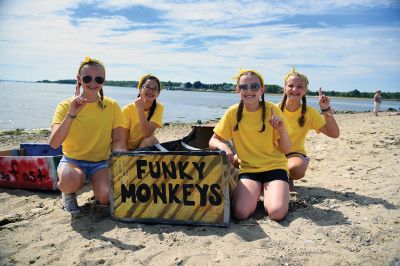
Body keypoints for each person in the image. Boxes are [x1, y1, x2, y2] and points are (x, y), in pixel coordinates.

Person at [209, 69, 291, 221]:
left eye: (254, 87)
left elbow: (286, 150)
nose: (249, 91)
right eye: (244, 87)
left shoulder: (273, 110)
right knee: (240, 213)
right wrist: (224, 147)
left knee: (276, 213)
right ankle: (259, 191)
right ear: (238, 90)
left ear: (262, 89)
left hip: (275, 167)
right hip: (249, 169)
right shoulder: (233, 112)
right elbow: (213, 140)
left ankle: (275, 192)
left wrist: (281, 129)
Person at [50, 57, 127, 215]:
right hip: (72, 162)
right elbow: (54, 143)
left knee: (105, 197)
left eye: (98, 79)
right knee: (69, 180)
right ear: (78, 79)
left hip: (100, 164)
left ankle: (94, 184)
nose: (93, 83)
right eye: (87, 78)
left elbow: (118, 140)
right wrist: (72, 113)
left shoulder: (111, 106)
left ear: (104, 81)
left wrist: (121, 163)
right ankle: (69, 193)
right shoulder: (65, 106)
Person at [279, 67, 340, 192]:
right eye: (291, 85)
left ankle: (287, 177)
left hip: (293, 154)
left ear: (305, 90)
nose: (295, 89)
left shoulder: (310, 113)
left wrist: (325, 109)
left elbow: (334, 134)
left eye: (300, 86)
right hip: (272, 154)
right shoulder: (272, 109)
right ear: (284, 88)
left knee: (295, 168)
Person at [121, 74, 164, 150]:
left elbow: (148, 134)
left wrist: (140, 110)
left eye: (154, 89)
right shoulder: (127, 109)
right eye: (147, 87)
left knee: (152, 140)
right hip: (127, 149)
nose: (151, 91)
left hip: (143, 147)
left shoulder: (159, 107)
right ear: (140, 89)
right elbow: (122, 140)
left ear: (158, 93)